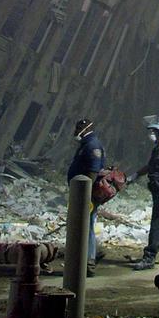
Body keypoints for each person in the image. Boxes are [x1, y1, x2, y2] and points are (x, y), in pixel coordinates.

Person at [126, 115, 159, 270]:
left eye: (153, 131)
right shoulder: (158, 148)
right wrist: (136, 175)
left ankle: (149, 257)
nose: (151, 134)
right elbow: (151, 166)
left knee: (157, 224)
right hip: (157, 190)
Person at [67, 117, 106, 276]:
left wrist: (84, 195)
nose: (75, 132)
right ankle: (86, 258)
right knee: (84, 225)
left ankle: (89, 262)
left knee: (87, 226)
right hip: (80, 193)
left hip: (86, 194)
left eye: (77, 129)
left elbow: (93, 172)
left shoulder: (92, 146)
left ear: (84, 129)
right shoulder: (86, 145)